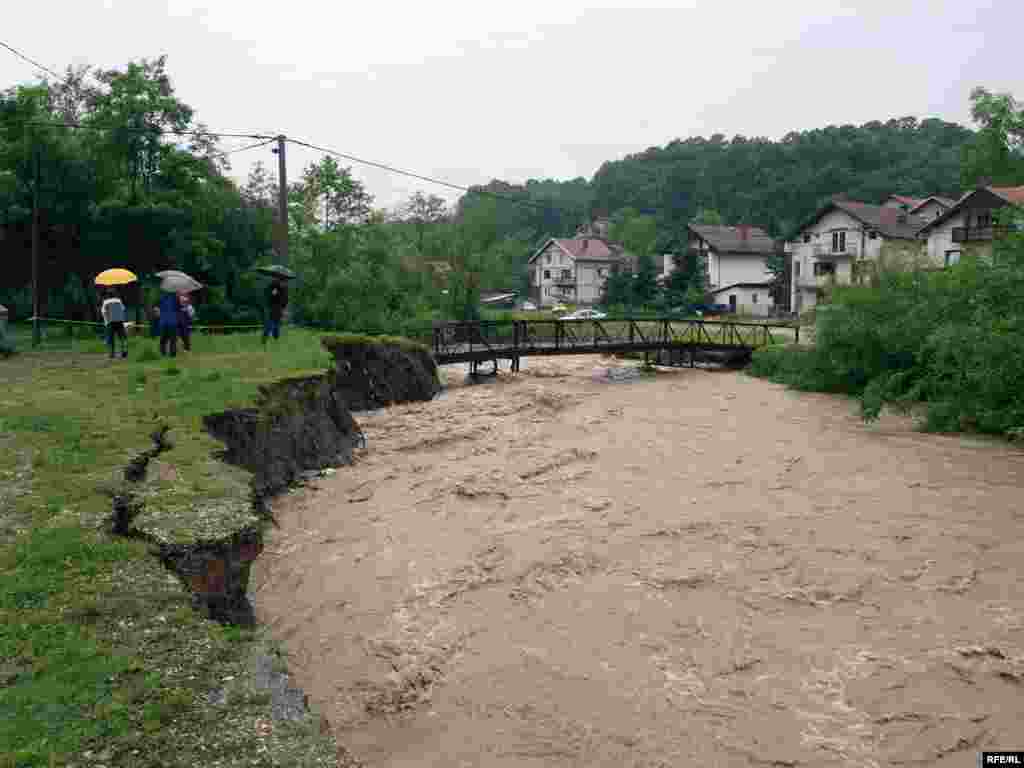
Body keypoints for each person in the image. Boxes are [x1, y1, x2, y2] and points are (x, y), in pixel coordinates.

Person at [101, 289, 129, 359]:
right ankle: (124, 351)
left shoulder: (105, 302)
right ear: (114, 295)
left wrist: (106, 322)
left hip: (110, 322)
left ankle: (112, 354)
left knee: (110, 338)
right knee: (122, 337)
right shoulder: (118, 301)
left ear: (107, 295)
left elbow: (104, 312)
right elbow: (123, 309)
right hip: (119, 321)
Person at [263, 276, 288, 344]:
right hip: (271, 308)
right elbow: (268, 295)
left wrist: (284, 309)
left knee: (277, 325)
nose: (285, 284)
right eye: (284, 282)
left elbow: (285, 300)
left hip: (279, 309)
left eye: (285, 282)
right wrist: (273, 293)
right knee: (270, 324)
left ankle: (275, 338)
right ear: (280, 281)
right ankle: (265, 338)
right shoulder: (273, 286)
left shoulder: (284, 289)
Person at [158, 291, 180, 357]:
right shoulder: (175, 298)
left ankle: (163, 353)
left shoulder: (162, 298)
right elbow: (178, 308)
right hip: (171, 322)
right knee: (172, 339)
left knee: (163, 339)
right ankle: (172, 353)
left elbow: (157, 308)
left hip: (164, 322)